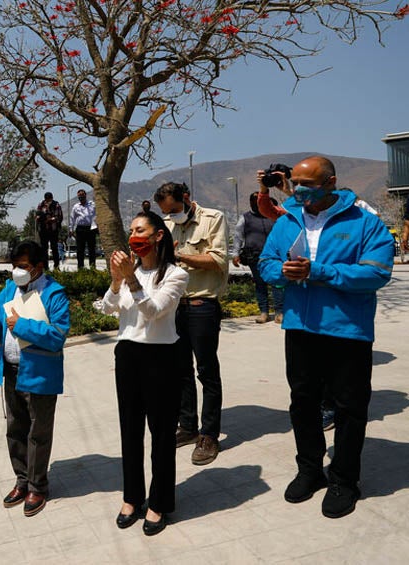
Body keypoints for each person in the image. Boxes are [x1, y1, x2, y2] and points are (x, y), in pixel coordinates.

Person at [259, 156, 393, 519]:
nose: (299, 190)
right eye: (296, 183)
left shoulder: (365, 223)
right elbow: (266, 263)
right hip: (301, 328)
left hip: (347, 331)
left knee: (349, 408)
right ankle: (309, 470)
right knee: (303, 403)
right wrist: (282, 272)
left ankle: (344, 481)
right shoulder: (287, 220)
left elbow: (376, 273)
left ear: (331, 182)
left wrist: (319, 271)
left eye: (308, 184)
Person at [101, 213, 188, 536]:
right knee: (130, 428)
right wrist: (115, 279)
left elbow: (153, 312)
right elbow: (109, 308)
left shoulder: (175, 275)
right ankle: (132, 497)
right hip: (127, 354)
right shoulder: (129, 271)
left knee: (162, 433)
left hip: (161, 356)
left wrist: (132, 281)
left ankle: (159, 502)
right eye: (132, 231)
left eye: (141, 230)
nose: (134, 236)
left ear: (158, 236)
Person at [0, 240, 70, 517]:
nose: (16, 272)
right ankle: (22, 481)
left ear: (38, 268)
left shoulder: (54, 294)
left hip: (40, 375)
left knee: (38, 433)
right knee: (15, 429)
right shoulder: (10, 289)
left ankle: (38, 486)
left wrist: (21, 325)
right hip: (11, 371)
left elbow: (57, 336)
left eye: (22, 267)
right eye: (14, 266)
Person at [154, 181, 229, 466]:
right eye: (166, 211)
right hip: (174, 308)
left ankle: (209, 434)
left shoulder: (213, 218)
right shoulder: (166, 225)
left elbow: (218, 260)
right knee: (180, 371)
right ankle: (187, 427)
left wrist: (179, 256)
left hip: (202, 306)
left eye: (173, 209)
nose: (171, 215)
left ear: (186, 198)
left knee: (207, 371)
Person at [232, 192, 284, 323]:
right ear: (250, 203)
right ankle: (264, 312)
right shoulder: (245, 218)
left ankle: (279, 313)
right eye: (254, 202)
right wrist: (235, 254)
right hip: (255, 257)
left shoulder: (273, 216)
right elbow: (238, 236)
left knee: (276, 283)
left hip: (274, 257)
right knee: (260, 285)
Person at [70, 189, 98, 270]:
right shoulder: (76, 206)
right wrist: (71, 229)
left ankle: (93, 267)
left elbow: (97, 214)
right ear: (78, 197)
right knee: (80, 249)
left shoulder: (92, 205)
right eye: (79, 196)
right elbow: (72, 219)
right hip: (80, 229)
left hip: (91, 228)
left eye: (82, 195)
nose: (81, 197)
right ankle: (80, 268)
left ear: (85, 195)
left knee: (92, 249)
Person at [35, 192, 64, 269]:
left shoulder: (56, 205)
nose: (48, 202)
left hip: (53, 230)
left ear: (52, 198)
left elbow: (59, 217)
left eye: (49, 200)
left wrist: (49, 219)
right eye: (46, 200)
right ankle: (45, 267)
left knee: (54, 248)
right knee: (44, 249)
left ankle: (56, 266)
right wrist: (39, 218)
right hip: (43, 230)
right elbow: (37, 214)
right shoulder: (41, 204)